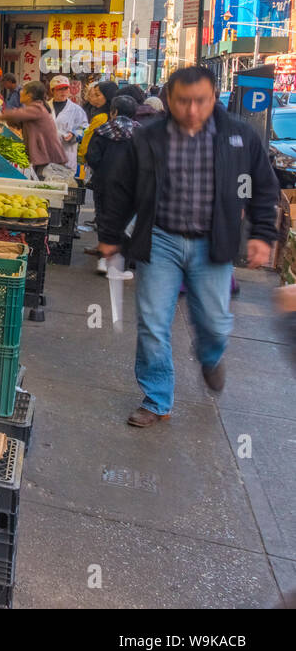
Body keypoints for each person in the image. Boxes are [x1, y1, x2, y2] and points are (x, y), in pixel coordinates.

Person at [96, 66, 280, 428]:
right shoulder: (148, 137)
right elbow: (119, 187)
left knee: (214, 323)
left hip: (213, 244)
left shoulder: (239, 136)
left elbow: (264, 185)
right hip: (160, 241)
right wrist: (111, 234)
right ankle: (157, 399)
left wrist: (261, 235)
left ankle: (210, 357)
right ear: (169, 99)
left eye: (200, 101)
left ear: (214, 97)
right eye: (183, 101)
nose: (192, 110)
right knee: (152, 324)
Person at [84, 94, 137, 273]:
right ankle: (122, 262)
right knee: (126, 221)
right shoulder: (140, 133)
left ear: (113, 112)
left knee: (104, 218)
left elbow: (92, 157)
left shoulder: (102, 131)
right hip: (131, 186)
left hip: (104, 183)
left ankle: (103, 261)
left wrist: (102, 170)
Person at [0, 79, 68, 177]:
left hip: (48, 160)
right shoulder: (35, 109)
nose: (20, 92)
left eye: (23, 90)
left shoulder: (38, 108)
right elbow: (17, 122)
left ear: (30, 95)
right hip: (45, 159)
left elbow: (15, 115)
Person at [47, 76, 89, 172]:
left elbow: (84, 128)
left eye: (66, 89)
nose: (64, 92)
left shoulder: (76, 110)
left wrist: (74, 134)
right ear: (52, 91)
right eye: (59, 89)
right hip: (46, 155)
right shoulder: (44, 107)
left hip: (66, 155)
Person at [78, 80, 121, 175]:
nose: (93, 98)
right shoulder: (115, 115)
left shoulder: (101, 118)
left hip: (98, 166)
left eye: (97, 95)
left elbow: (88, 145)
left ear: (108, 96)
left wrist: (82, 157)